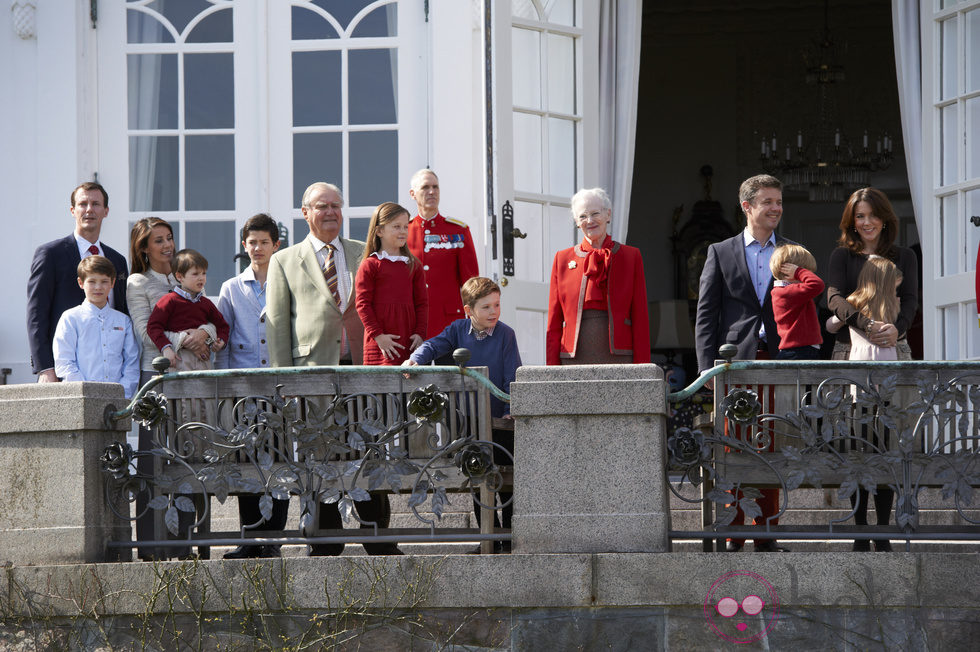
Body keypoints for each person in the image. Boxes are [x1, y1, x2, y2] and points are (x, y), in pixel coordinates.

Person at [266, 181, 398, 556]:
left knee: (370, 452)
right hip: (311, 372)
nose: (330, 213)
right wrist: (284, 379)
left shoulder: (364, 253)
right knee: (319, 455)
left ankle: (378, 538)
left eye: (336, 206)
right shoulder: (284, 260)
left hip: (361, 367)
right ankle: (326, 540)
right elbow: (277, 324)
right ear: (305, 212)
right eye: (322, 206)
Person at [695, 174, 793, 553]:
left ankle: (766, 534)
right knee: (734, 447)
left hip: (778, 360)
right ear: (747, 206)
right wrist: (707, 368)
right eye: (767, 201)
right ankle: (732, 532)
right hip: (734, 365)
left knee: (774, 446)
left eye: (778, 201)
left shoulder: (791, 251)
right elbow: (707, 314)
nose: (775, 208)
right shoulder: (720, 251)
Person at [827, 188, 918, 554]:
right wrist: (867, 325)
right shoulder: (842, 256)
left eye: (871, 215)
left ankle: (883, 529)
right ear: (851, 221)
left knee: (890, 441)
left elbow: (911, 299)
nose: (866, 223)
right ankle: (860, 529)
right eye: (858, 217)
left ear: (885, 218)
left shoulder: (905, 256)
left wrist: (898, 328)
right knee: (857, 441)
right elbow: (833, 298)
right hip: (851, 350)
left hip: (896, 348)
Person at [405, 276, 521, 552]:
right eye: (486, 307)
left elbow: (511, 376)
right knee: (479, 478)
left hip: (501, 423)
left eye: (496, 305)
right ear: (468, 310)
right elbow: (433, 346)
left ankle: (510, 539)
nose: (493, 312)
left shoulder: (505, 334)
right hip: (471, 422)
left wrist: (509, 411)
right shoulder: (458, 329)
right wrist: (416, 359)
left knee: (507, 483)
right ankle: (488, 540)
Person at [127, 219, 213, 560]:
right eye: (157, 240)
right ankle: (155, 547)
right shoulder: (138, 281)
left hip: (193, 380)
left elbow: (208, 314)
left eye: (169, 238)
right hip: (159, 378)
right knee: (157, 463)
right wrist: (186, 340)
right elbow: (144, 330)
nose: (166, 245)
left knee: (192, 458)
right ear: (144, 248)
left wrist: (206, 331)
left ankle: (192, 545)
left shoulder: (188, 272)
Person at [215, 214, 286, 559]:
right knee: (247, 462)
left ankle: (273, 539)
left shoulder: (286, 281)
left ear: (276, 245)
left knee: (280, 462)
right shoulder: (231, 287)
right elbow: (224, 337)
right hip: (243, 388)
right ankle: (250, 538)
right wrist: (224, 386)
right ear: (244, 246)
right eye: (251, 243)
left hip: (279, 388)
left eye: (264, 242)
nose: (257, 249)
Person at [28, 182, 129, 383]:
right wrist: (46, 368)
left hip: (110, 375)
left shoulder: (117, 260)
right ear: (73, 210)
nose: (89, 209)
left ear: (106, 211)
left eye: (96, 204)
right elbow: (36, 315)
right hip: (62, 372)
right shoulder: (50, 254)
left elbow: (121, 310)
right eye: (83, 204)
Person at [546, 187, 650, 365]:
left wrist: (643, 366)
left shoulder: (631, 257)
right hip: (573, 357)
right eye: (583, 216)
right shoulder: (562, 259)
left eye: (595, 213)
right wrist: (551, 370)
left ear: (608, 215)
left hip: (620, 357)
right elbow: (554, 322)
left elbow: (640, 316)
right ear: (577, 222)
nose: (590, 221)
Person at [407, 169, 480, 342]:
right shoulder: (404, 232)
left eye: (435, 187)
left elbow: (470, 283)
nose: (432, 192)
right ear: (413, 194)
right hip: (413, 324)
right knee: (415, 369)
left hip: (449, 323)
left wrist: (475, 323)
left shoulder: (458, 231)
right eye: (425, 187)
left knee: (449, 370)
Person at [53, 255, 140, 398]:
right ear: (81, 283)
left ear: (112, 283)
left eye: (104, 281)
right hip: (81, 398)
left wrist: (122, 393)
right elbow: (65, 361)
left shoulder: (123, 321)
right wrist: (86, 393)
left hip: (117, 399)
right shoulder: (70, 318)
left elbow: (131, 361)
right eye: (92, 281)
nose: (98, 287)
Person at [355, 202, 428, 366]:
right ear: (379, 231)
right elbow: (362, 304)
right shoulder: (370, 265)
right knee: (380, 389)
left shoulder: (413, 265)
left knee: (410, 388)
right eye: (396, 227)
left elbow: (422, 304)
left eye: (405, 227)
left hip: (409, 343)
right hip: (380, 345)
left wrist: (420, 333)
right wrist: (378, 336)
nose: (403, 231)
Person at [146, 249, 228, 372]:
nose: (201, 278)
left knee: (205, 391)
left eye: (204, 273)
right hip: (178, 358)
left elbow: (222, 325)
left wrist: (221, 340)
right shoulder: (169, 301)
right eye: (195, 274)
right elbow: (153, 327)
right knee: (178, 391)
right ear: (179, 276)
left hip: (203, 360)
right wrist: (166, 348)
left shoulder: (206, 303)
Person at [769, 244, 824, 360]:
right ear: (790, 272)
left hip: (799, 350)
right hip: (799, 351)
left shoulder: (787, 291)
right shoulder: (787, 292)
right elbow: (817, 284)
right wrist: (798, 271)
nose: (807, 275)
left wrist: (798, 271)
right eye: (806, 271)